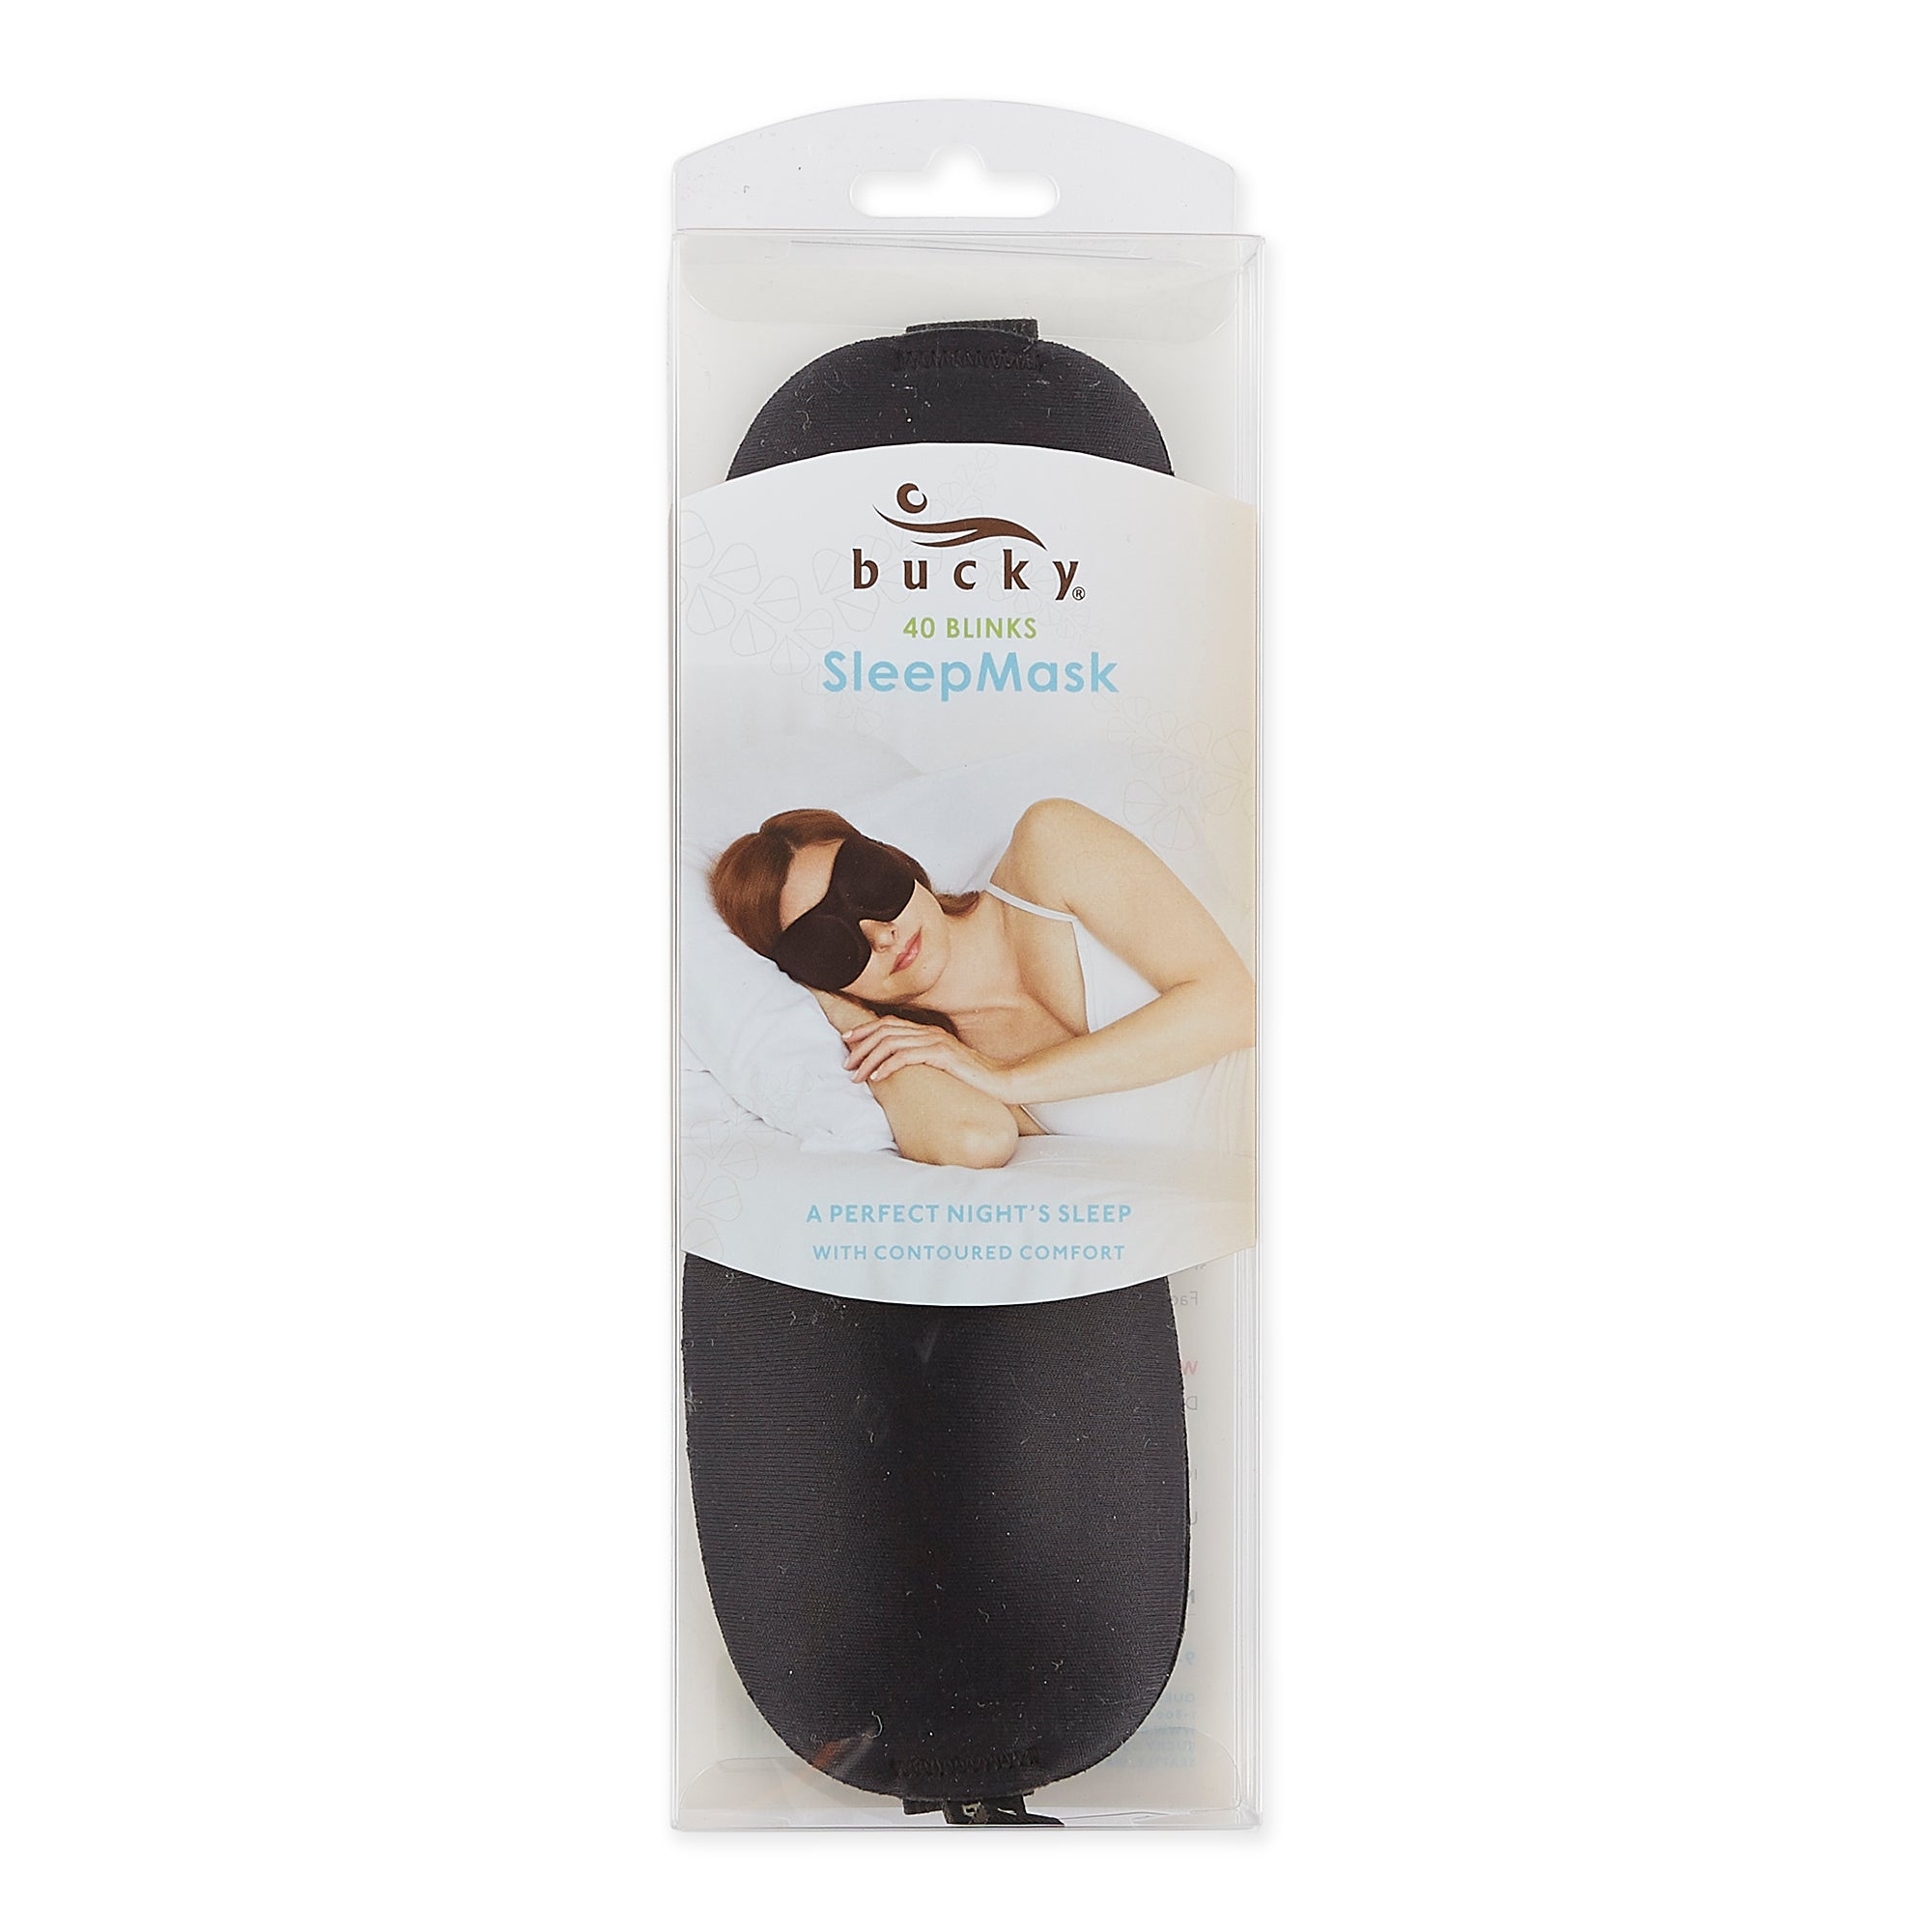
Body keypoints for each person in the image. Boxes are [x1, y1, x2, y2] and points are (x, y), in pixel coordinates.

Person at [709, 800, 1256, 1169]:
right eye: (828, 945)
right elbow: (975, 1140)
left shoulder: (1050, 847)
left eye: (864, 885)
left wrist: (1007, 1078)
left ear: (893, 860)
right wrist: (847, 1015)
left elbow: (1236, 1006)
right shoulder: (944, 1062)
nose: (881, 934)